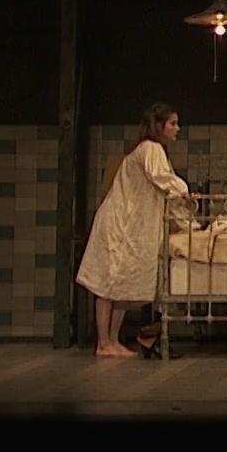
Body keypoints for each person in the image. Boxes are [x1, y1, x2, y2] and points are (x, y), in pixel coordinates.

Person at [75, 103, 190, 358]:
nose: (177, 128)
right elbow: (162, 179)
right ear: (159, 126)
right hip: (119, 223)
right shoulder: (150, 148)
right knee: (108, 282)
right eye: (172, 123)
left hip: (128, 224)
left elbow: (162, 188)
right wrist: (184, 192)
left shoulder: (153, 150)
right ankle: (103, 342)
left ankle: (112, 340)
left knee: (121, 283)